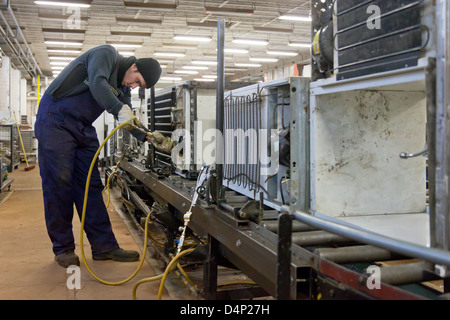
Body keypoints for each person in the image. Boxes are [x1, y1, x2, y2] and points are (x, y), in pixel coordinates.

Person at [35, 44, 163, 268]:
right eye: (136, 80)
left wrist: (149, 137)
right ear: (133, 66)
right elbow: (97, 83)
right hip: (55, 118)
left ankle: (104, 247)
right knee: (60, 182)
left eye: (138, 86)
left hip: (82, 126)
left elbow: (128, 118)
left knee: (91, 185)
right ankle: (63, 248)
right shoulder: (107, 55)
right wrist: (119, 109)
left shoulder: (123, 89)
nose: (133, 87)